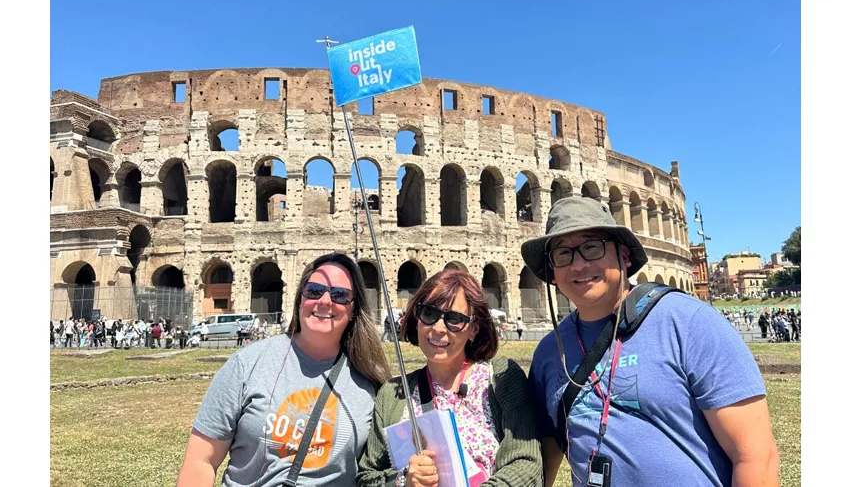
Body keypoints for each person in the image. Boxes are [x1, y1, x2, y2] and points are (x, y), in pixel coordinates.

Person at [520, 197, 780, 487]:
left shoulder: (690, 322)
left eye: (591, 246)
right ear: (552, 273)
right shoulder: (548, 352)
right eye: (563, 253)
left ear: (625, 255)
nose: (579, 264)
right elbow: (546, 454)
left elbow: (756, 456)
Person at [177, 253, 391, 486]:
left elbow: (379, 472)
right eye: (314, 291)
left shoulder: (371, 383)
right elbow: (202, 460)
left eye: (340, 295)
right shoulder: (248, 363)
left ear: (353, 310)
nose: (325, 301)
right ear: (300, 299)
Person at [357, 269, 543, 486]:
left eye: (454, 319)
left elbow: (527, 463)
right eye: (428, 313)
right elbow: (366, 478)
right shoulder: (393, 394)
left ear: (473, 328)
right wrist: (403, 481)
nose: (438, 328)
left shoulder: (501, 379)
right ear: (416, 318)